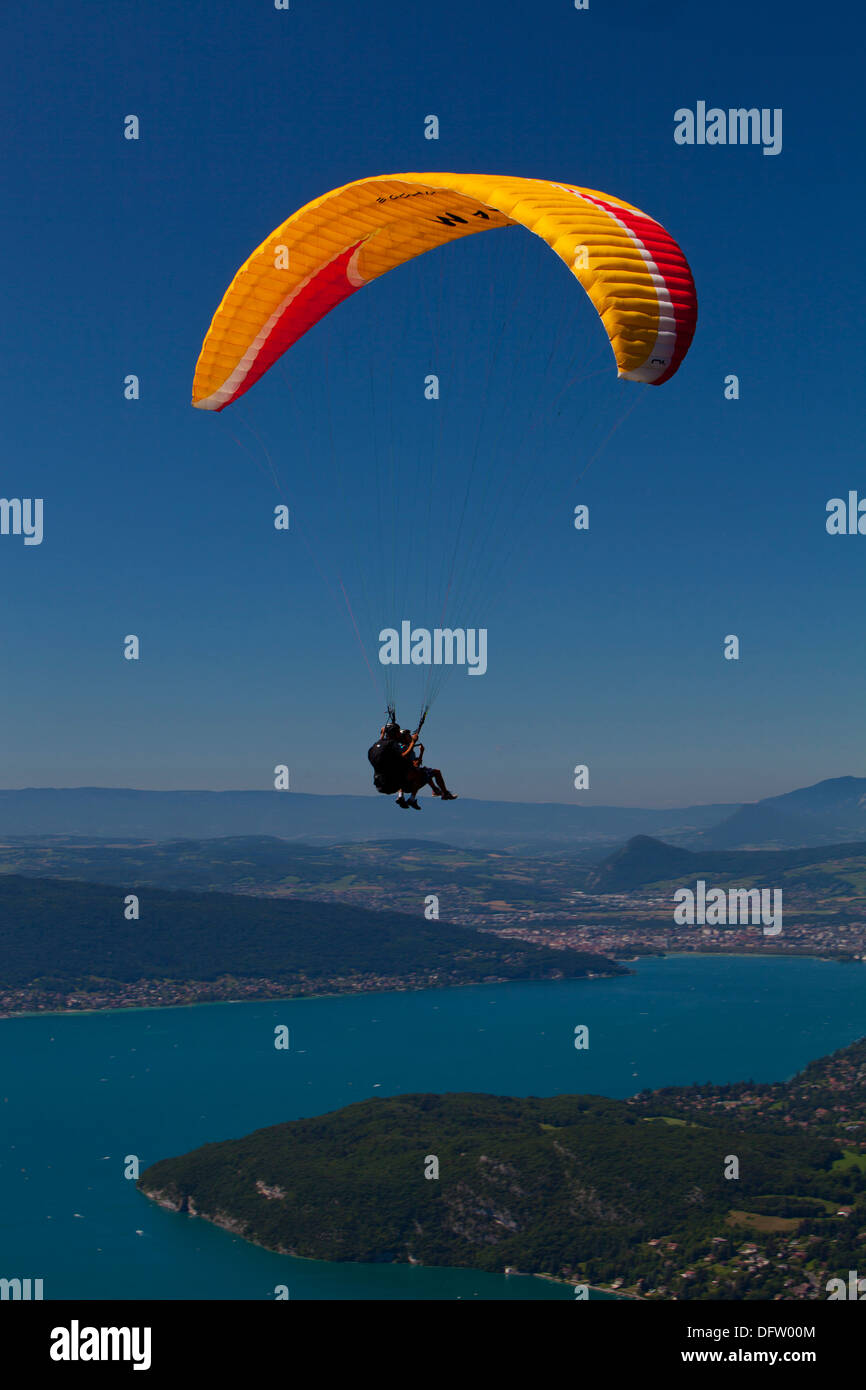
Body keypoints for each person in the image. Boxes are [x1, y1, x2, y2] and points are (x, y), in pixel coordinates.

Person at [367, 719, 457, 810]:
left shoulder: (386, 746)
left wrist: (382, 734)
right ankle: (437, 793)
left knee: (422, 771)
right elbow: (413, 763)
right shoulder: (401, 748)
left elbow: (382, 745)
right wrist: (419, 749)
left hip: (386, 782)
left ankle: (430, 791)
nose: (409, 736)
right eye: (407, 735)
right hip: (403, 782)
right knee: (427, 772)